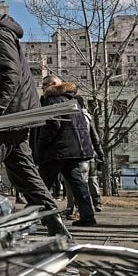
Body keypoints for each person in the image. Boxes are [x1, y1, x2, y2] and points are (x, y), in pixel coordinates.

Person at [0, 15, 67, 234]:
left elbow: (10, 75)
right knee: (25, 175)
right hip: (12, 115)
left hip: (4, 118)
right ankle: (55, 224)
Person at [33, 76, 97, 228]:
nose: (42, 87)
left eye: (45, 84)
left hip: (57, 149)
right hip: (73, 149)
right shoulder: (73, 100)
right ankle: (88, 216)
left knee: (40, 183)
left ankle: (31, 216)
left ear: (54, 84)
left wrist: (41, 145)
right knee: (78, 183)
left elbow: (52, 125)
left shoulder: (51, 100)